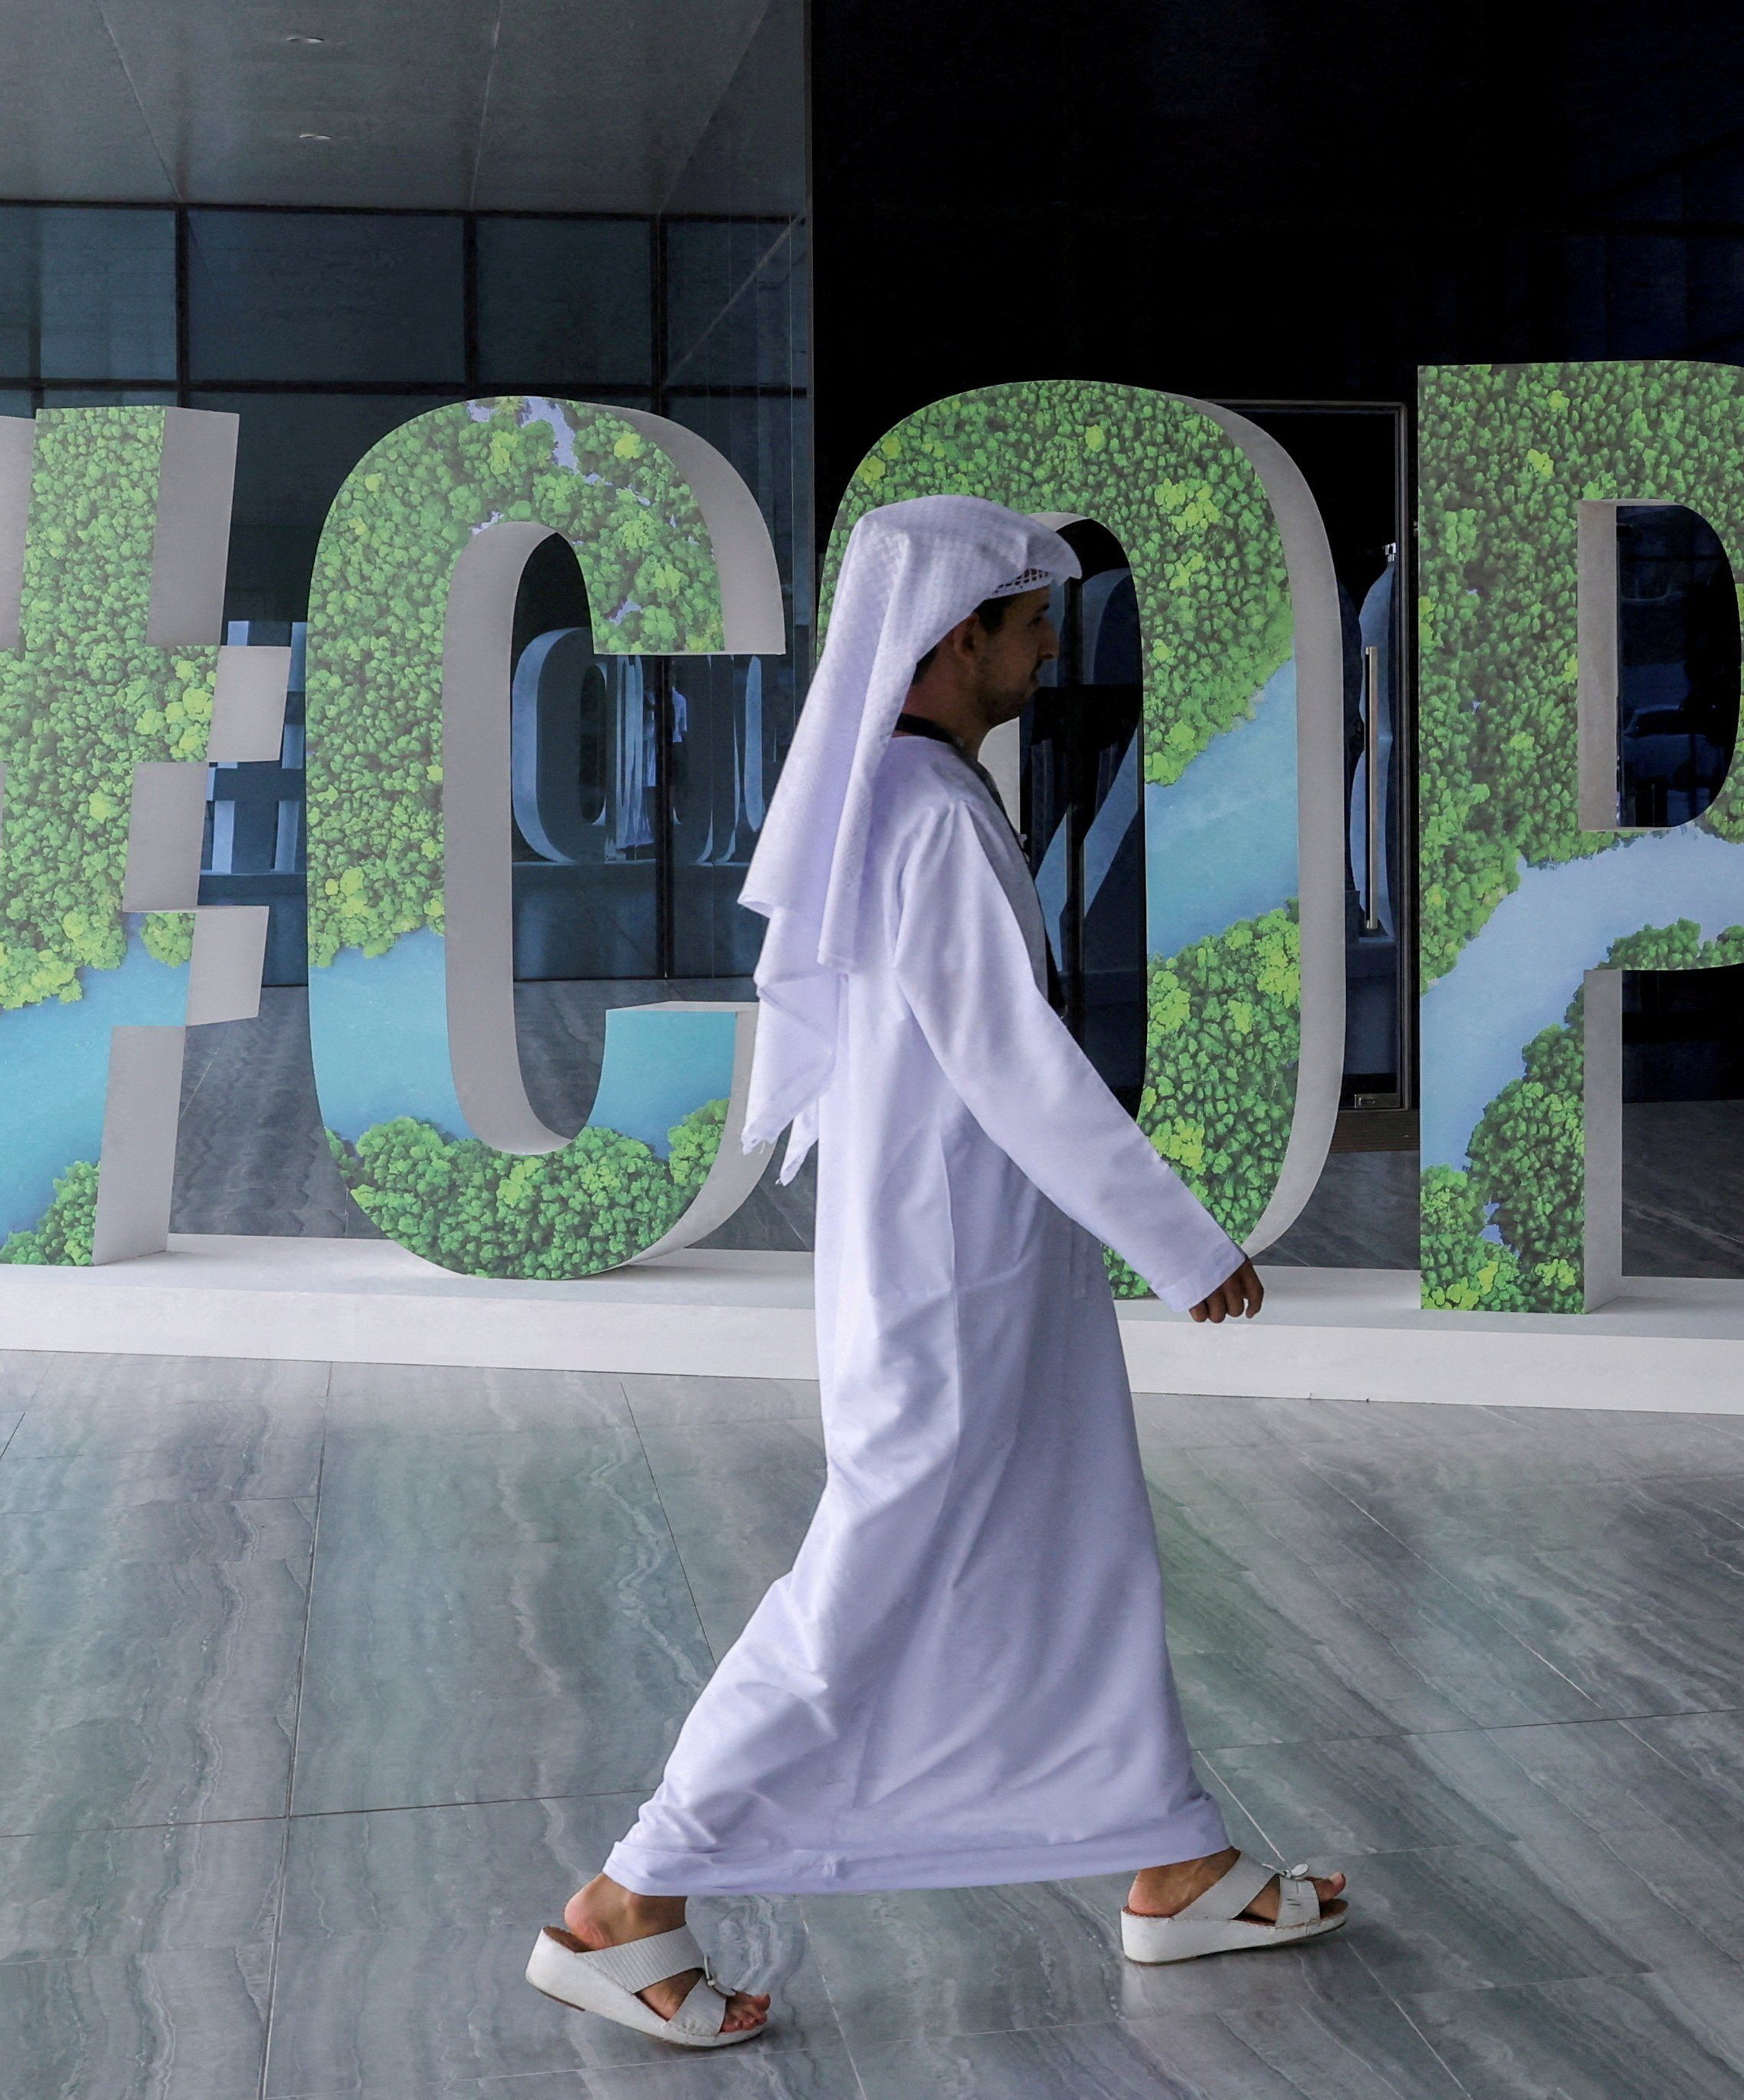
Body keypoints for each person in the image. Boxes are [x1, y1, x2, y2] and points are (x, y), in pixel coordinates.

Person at [524, 497, 1347, 2051]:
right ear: (954, 636)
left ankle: (1173, 1859)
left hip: (975, 1262)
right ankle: (623, 1902)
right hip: (952, 1280)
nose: (1048, 652)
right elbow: (1016, 1063)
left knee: (1080, 1543)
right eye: (1032, 625)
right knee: (869, 1585)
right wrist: (1183, 1243)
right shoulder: (921, 810)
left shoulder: (902, 796)